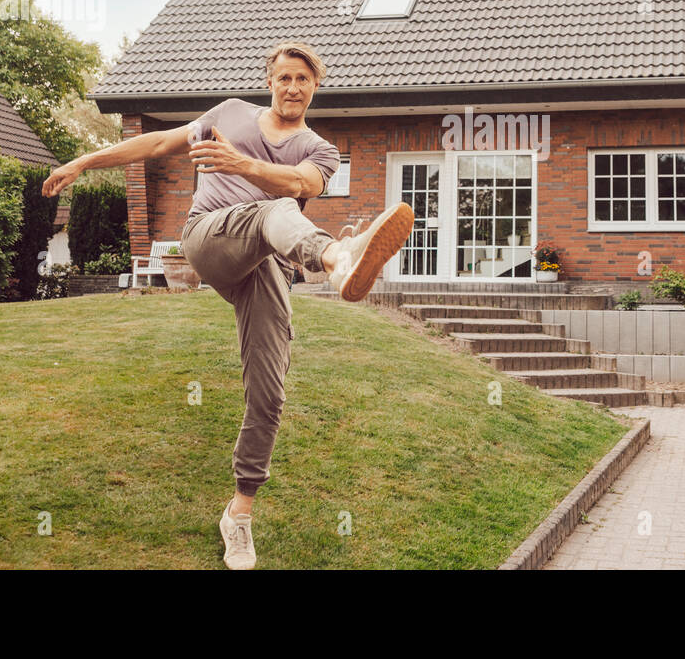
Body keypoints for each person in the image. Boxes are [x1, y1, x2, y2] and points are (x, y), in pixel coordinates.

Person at [41, 41, 415, 569]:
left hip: (264, 263)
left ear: (314, 87)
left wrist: (241, 163)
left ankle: (238, 513)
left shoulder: (321, 150)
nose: (292, 88)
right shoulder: (231, 113)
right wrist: (85, 159)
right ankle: (338, 256)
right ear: (271, 80)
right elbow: (157, 144)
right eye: (284, 78)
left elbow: (300, 182)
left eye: (302, 80)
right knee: (274, 211)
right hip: (208, 238)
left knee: (269, 390)